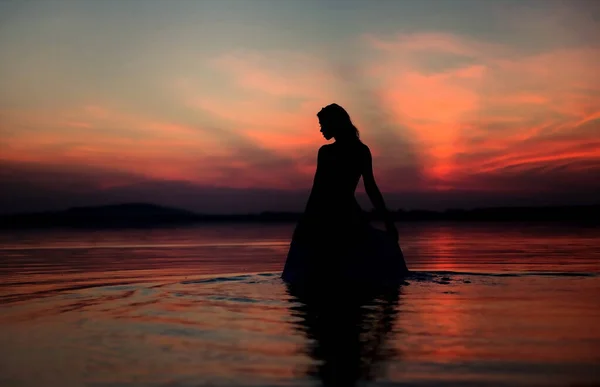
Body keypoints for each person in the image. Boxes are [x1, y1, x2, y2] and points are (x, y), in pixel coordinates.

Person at [282, 103, 408, 285]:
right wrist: (388, 222)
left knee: (325, 269)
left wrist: (305, 221)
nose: (320, 129)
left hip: (329, 216)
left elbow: (318, 190)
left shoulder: (327, 152)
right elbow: (371, 189)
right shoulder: (361, 150)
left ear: (334, 124)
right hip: (350, 215)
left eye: (322, 124)